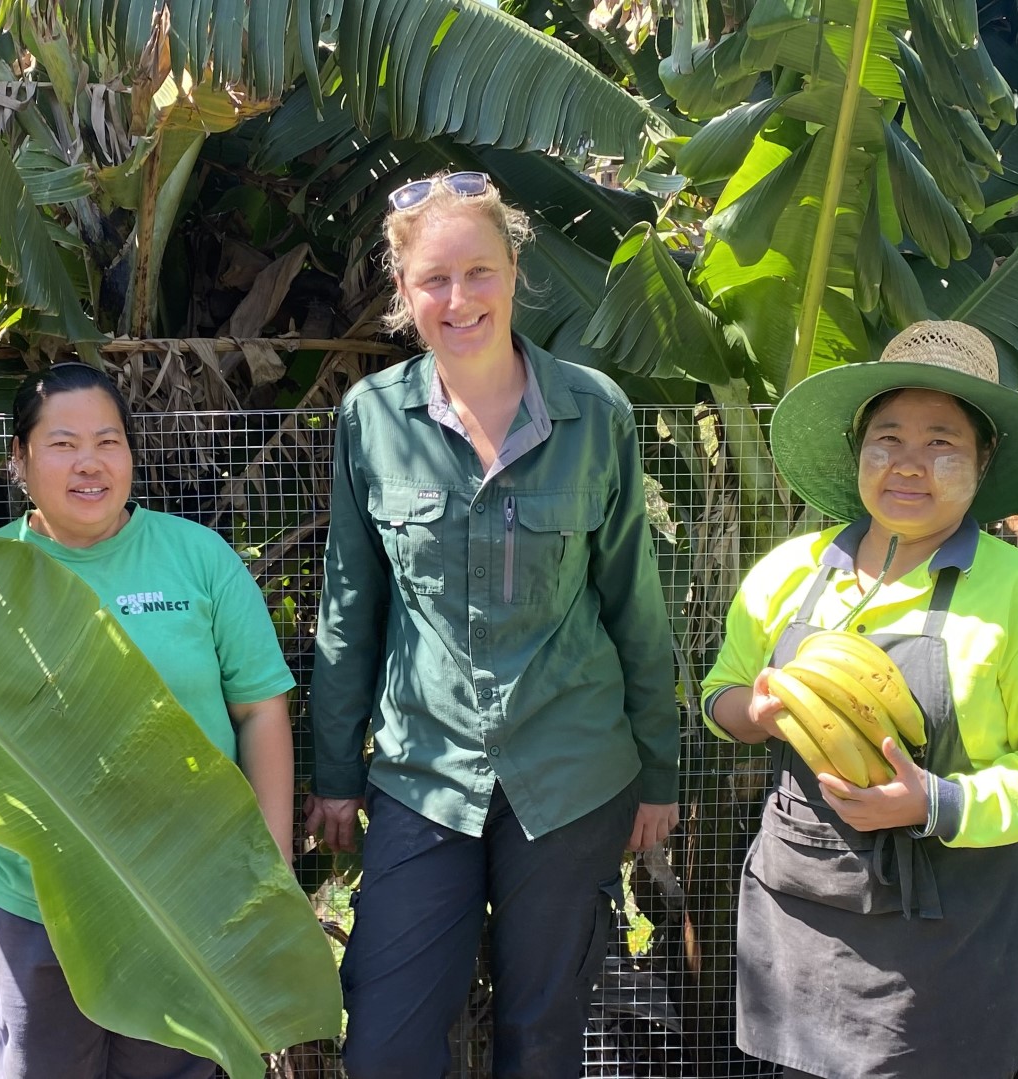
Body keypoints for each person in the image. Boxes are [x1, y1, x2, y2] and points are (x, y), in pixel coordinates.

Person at [306, 171, 680, 1079]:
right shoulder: (371, 418)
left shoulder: (597, 413)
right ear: (404, 292)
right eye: (434, 279)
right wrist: (334, 776)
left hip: (572, 770)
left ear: (515, 270)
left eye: (479, 271)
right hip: (422, 771)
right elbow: (350, 609)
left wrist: (661, 772)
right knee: (389, 1037)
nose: (459, 297)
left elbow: (634, 601)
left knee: (542, 1035)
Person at [701, 321, 1018, 1079]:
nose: (908, 464)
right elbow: (720, 691)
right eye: (887, 438)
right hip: (802, 922)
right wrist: (755, 711)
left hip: (950, 943)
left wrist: (935, 801)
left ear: (983, 461)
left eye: (941, 443)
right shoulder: (789, 573)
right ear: (858, 449)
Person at [0, 362, 298, 1079]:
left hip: (185, 895)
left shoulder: (197, 558)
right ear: (18, 459)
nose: (90, 462)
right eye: (62, 443)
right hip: (34, 906)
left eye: (108, 441)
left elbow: (261, 708)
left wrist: (268, 869)